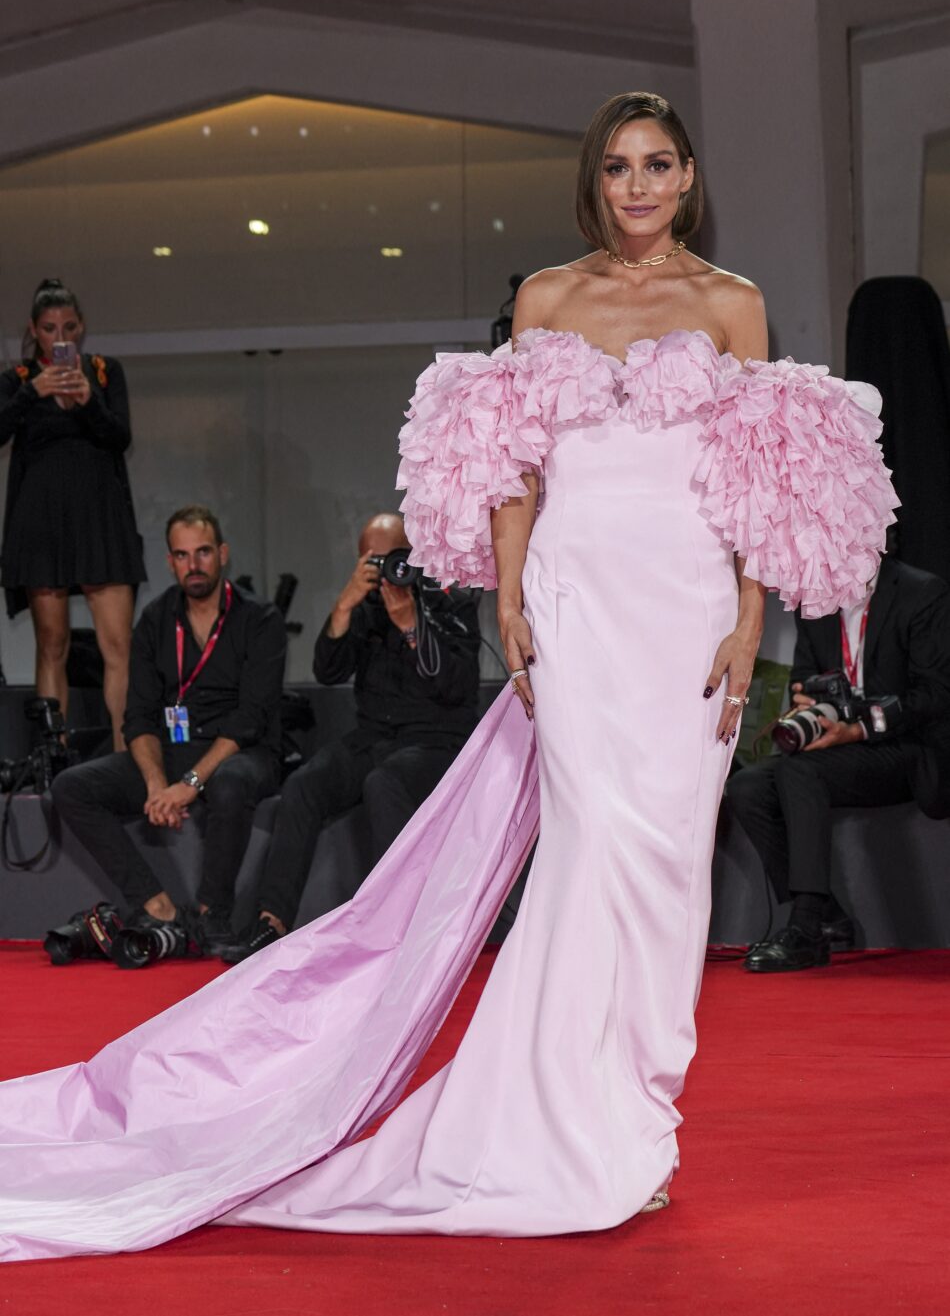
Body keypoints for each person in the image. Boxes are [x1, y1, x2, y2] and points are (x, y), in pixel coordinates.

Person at [0, 92, 897, 1262]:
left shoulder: (731, 305)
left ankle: (637, 1118)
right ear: (595, 179)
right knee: (594, 856)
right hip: (574, 603)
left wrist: (745, 622)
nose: (637, 186)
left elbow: (747, 479)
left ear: (685, 179)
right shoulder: (545, 297)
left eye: (658, 165)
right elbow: (509, 470)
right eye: (618, 166)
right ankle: (568, 1129)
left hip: (684, 615)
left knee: (667, 868)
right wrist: (512, 602)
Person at [229, 512, 481, 962]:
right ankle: (272, 921)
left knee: (384, 782)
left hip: (436, 741)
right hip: (373, 737)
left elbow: (456, 687)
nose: (387, 569)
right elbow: (328, 671)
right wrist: (343, 607)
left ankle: (398, 926)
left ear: (416, 552)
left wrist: (409, 625)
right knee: (305, 783)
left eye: (395, 557)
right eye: (373, 558)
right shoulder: (362, 605)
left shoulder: (449, 597)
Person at [49, 506, 286, 958]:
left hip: (242, 752)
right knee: (71, 786)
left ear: (222, 554)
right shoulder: (156, 620)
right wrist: (158, 784)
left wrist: (190, 785)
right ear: (169, 562)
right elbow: (137, 715)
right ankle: (156, 906)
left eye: (202, 553)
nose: (193, 565)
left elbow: (250, 718)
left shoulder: (260, 618)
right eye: (181, 555)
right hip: (174, 752)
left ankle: (212, 914)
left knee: (232, 782)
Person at [727, 555, 950, 972]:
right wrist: (809, 705)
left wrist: (860, 727)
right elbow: (804, 678)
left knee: (800, 770)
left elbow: (935, 696)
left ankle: (807, 930)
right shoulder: (817, 603)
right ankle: (827, 917)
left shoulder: (922, 592)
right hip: (841, 747)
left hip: (908, 748)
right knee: (747, 787)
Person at [0, 278, 146, 750]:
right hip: (41, 521)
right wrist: (34, 392)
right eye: (48, 328)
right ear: (34, 331)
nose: (59, 336)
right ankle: (52, 758)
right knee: (52, 643)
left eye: (68, 326)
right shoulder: (19, 380)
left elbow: (119, 436)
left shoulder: (104, 372)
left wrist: (88, 401)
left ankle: (130, 758)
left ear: (81, 327)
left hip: (99, 518)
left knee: (118, 646)